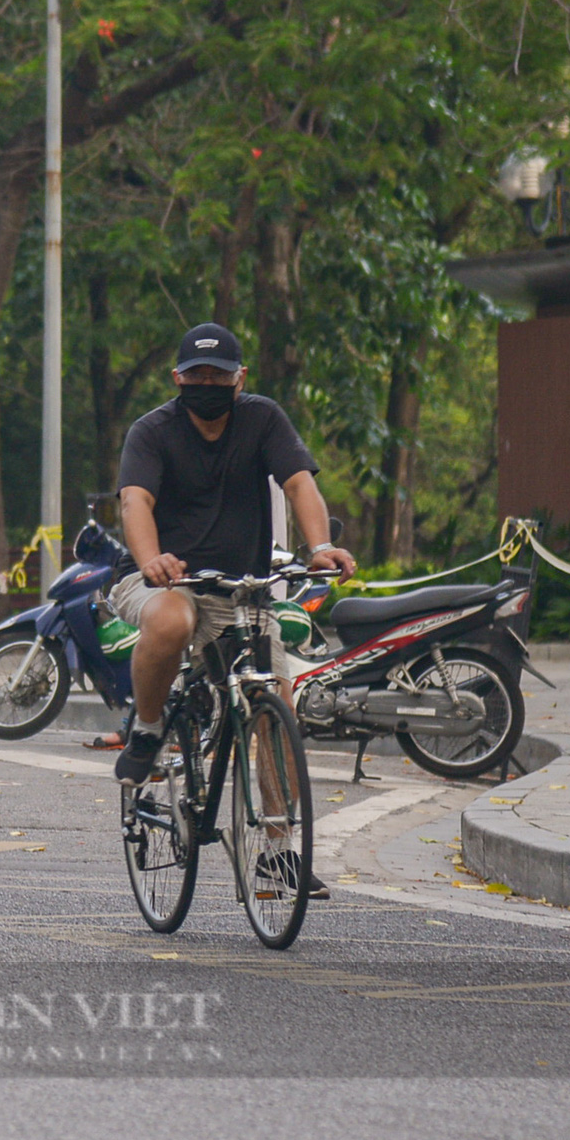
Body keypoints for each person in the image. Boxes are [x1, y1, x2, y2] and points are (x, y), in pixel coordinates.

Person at [110, 324, 355, 893]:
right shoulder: (152, 432)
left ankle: (277, 848)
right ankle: (148, 731)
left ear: (240, 378)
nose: (208, 383)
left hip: (242, 588)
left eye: (220, 374)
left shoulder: (263, 420)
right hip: (161, 580)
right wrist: (150, 560)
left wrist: (318, 547)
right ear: (178, 379)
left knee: (276, 706)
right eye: (197, 375)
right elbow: (134, 500)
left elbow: (299, 484)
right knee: (173, 618)